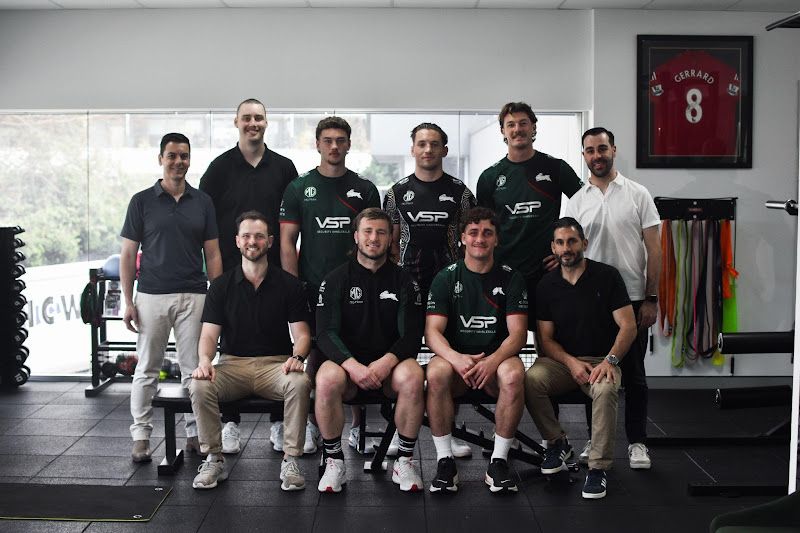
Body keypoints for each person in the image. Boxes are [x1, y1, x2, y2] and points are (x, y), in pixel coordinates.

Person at [199, 98, 299, 456]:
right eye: (247, 118)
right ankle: (229, 423)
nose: (252, 123)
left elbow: (291, 226)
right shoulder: (219, 168)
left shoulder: (284, 168)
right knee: (231, 349)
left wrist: (289, 276)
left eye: (258, 118)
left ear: (266, 123)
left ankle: (277, 422)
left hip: (273, 274)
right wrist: (216, 279)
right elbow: (207, 226)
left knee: (276, 345)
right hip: (230, 271)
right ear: (236, 122)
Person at [189, 211, 312, 492]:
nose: (252, 241)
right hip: (233, 366)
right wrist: (205, 361)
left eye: (258, 236)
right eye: (246, 236)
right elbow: (209, 334)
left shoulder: (289, 286)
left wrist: (297, 357)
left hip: (277, 366)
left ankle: (291, 460)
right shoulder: (220, 287)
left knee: (300, 381)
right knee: (199, 384)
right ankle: (214, 458)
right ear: (237, 241)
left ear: (269, 241)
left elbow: (302, 334)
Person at [280, 116, 381, 454]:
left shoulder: (365, 189)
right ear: (318, 144)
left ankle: (355, 428)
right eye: (328, 140)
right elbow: (287, 242)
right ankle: (311, 425)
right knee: (314, 357)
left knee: (356, 350)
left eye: (341, 139)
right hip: (311, 287)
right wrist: (293, 289)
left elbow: (374, 237)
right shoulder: (299, 188)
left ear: (349, 144)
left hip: (358, 289)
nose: (334, 146)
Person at [120, 132, 222, 463]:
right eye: (172, 155)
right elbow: (127, 254)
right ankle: (140, 436)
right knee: (147, 368)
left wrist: (218, 298)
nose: (179, 161)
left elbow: (214, 253)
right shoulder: (141, 201)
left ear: (190, 159)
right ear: (160, 159)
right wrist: (127, 299)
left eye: (184, 156)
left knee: (194, 369)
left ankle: (194, 434)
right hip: (151, 296)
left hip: (195, 294)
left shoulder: (203, 201)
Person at [565, 127, 661, 470]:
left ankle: (637, 443)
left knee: (634, 376)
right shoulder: (577, 201)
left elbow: (654, 249)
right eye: (590, 150)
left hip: (633, 299)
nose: (597, 155)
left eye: (602, 148)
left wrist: (651, 298)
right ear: (584, 155)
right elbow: (572, 252)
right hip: (593, 302)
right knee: (595, 374)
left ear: (614, 150)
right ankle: (596, 438)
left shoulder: (638, 194)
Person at [314, 208, 425, 493]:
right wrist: (355, 367)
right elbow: (325, 334)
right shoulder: (336, 279)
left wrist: (383, 365)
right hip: (347, 371)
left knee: (413, 375)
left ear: (390, 239)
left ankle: (404, 460)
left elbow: (412, 335)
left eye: (381, 232)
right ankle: (334, 462)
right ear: (356, 237)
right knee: (325, 378)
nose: (374, 238)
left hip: (388, 371)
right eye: (368, 231)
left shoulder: (405, 282)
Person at [525, 217, 636, 499]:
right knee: (531, 380)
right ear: (553, 247)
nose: (566, 248)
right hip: (562, 362)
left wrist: (610, 361)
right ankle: (558, 442)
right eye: (560, 243)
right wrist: (571, 362)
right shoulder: (546, 285)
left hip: (602, 359)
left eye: (572, 241)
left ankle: (597, 468)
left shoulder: (607, 276)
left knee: (606, 388)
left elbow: (628, 325)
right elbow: (545, 339)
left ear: (584, 244)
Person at [383, 122, 476, 458]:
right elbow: (390, 243)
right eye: (421, 144)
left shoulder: (461, 192)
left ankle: (445, 433)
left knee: (444, 363)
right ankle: (396, 432)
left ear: (444, 151)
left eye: (434, 144)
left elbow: (470, 241)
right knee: (403, 361)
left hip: (450, 288)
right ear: (413, 149)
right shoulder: (396, 192)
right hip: (408, 286)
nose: (427, 150)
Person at [425, 206, 528, 493]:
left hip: (494, 363)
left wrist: (492, 361)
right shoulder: (446, 277)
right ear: (462, 238)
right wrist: (457, 359)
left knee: (513, 373)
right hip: (457, 362)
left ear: (496, 239)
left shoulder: (511, 277)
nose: (479, 239)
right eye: (473, 233)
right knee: (435, 372)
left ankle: (498, 462)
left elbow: (518, 334)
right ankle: (445, 462)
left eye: (487, 233)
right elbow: (432, 332)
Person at [476, 102, 583, 332]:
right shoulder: (490, 177)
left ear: (533, 127)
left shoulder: (556, 168)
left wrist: (566, 251)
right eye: (511, 124)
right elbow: (482, 229)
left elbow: (588, 207)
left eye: (523, 123)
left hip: (547, 272)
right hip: (504, 273)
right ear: (503, 131)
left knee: (549, 342)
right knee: (503, 342)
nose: (518, 129)